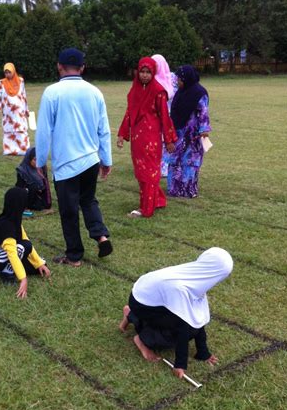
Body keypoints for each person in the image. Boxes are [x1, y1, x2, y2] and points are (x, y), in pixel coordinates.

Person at [35, 47, 113, 267]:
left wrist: (40, 161)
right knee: (88, 200)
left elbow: (43, 130)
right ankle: (101, 236)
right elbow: (103, 129)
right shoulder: (95, 92)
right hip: (90, 159)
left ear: (59, 66)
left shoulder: (52, 92)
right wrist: (106, 160)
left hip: (67, 164)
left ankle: (74, 255)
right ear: (82, 68)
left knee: (69, 211)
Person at [119, 247, 233, 379]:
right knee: (183, 331)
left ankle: (131, 315)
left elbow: (198, 316)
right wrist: (180, 364)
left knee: (190, 324)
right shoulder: (180, 288)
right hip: (142, 304)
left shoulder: (195, 278)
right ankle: (142, 339)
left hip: (147, 299)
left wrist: (203, 353)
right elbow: (184, 326)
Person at [117, 57, 177, 218]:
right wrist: (122, 133)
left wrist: (169, 139)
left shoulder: (158, 91)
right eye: (142, 71)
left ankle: (146, 209)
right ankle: (157, 200)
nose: (144, 75)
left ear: (154, 73)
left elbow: (165, 116)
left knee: (149, 172)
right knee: (140, 172)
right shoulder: (135, 89)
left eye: (148, 72)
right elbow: (130, 112)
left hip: (151, 139)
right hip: (137, 139)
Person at [0, 187, 51, 299]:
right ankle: (6, 273)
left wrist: (39, 263)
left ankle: (14, 269)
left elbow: (25, 240)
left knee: (36, 267)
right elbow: (12, 253)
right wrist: (23, 279)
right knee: (24, 247)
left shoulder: (14, 219)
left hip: (7, 253)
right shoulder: (6, 226)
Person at [166, 65, 211, 198]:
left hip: (193, 135)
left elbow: (203, 112)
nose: (177, 82)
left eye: (179, 79)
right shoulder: (180, 92)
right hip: (178, 132)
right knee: (174, 160)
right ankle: (174, 189)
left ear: (186, 79)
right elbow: (173, 111)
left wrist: (204, 129)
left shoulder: (199, 93)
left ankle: (188, 190)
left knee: (190, 161)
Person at [0, 63, 30, 156]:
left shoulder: (21, 81)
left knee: (20, 128)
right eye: (6, 72)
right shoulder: (1, 83)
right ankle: (9, 150)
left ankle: (23, 149)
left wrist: (26, 110)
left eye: (9, 72)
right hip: (8, 112)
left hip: (19, 111)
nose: (7, 74)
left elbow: (23, 96)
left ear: (13, 71)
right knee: (9, 129)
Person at [150, 54, 178, 178]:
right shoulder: (150, 79)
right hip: (155, 116)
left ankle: (165, 166)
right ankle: (156, 165)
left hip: (169, 115)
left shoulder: (172, 78)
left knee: (167, 141)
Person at [16, 147, 52, 212]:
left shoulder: (41, 167)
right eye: (35, 160)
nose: (37, 162)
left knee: (44, 205)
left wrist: (48, 203)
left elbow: (46, 186)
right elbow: (19, 189)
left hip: (39, 195)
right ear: (29, 159)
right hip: (28, 196)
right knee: (32, 186)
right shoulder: (22, 170)